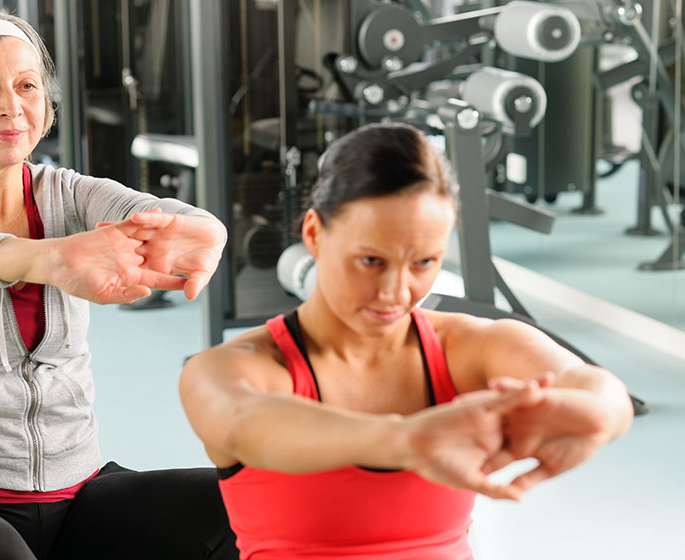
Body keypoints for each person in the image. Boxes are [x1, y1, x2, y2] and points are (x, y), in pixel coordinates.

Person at [0, 12, 237, 560]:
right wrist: (49, 259)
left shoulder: (69, 194)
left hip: (78, 493)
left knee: (244, 502)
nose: (11, 105)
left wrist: (206, 231)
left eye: (27, 86)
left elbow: (157, 213)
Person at [179, 123, 634, 560]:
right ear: (314, 233)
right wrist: (408, 439)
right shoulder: (229, 369)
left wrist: (596, 416)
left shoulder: (468, 347)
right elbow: (245, 424)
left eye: (423, 262)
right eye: (372, 260)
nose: (396, 293)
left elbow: (599, 389)